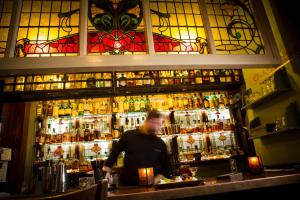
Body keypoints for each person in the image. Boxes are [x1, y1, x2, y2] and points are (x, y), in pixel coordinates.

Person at [102, 109, 172, 185]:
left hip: (151, 187)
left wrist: (158, 177)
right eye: (158, 123)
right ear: (150, 121)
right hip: (128, 185)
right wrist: (107, 172)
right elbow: (114, 153)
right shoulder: (129, 136)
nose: (160, 127)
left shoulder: (160, 143)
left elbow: (167, 167)